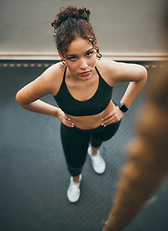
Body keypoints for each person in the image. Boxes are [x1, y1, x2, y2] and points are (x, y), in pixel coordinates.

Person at [16, 5, 147, 203]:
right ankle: (75, 181)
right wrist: (55, 113)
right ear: (62, 56)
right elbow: (22, 98)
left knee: (97, 143)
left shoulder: (108, 69)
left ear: (96, 47)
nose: (84, 65)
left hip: (107, 123)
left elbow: (141, 75)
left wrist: (123, 108)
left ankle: (94, 153)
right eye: (73, 58)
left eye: (89, 53)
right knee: (74, 163)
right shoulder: (53, 77)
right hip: (73, 130)